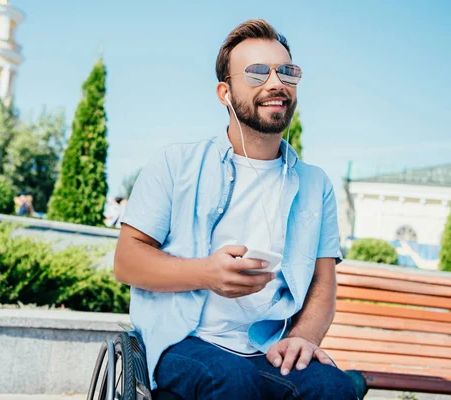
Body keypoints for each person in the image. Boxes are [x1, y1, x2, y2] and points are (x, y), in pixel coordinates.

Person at [114, 19, 357, 399]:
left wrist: (304, 338)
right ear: (225, 92)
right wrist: (206, 272)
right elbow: (126, 261)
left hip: (267, 347)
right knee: (230, 381)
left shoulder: (315, 184)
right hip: (187, 340)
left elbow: (323, 282)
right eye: (258, 72)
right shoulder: (175, 164)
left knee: (333, 387)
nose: (276, 83)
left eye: (287, 72)